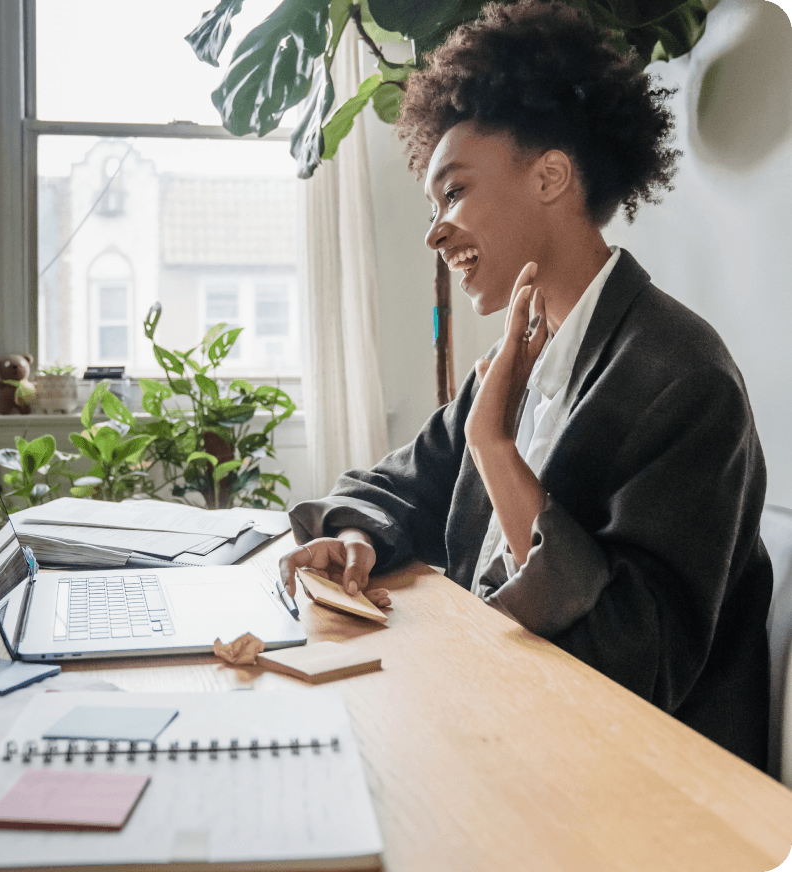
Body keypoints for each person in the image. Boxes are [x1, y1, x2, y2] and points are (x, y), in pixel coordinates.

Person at [280, 0, 772, 769]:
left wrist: (497, 450)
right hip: (502, 719)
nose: (434, 230)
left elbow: (637, 665)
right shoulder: (519, 359)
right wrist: (353, 539)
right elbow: (390, 487)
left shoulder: (684, 381)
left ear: (550, 176)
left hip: (636, 779)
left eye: (454, 192)